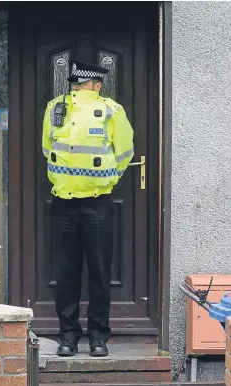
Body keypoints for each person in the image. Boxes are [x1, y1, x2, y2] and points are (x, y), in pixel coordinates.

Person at [42, 60, 134, 357]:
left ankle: (68, 337)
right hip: (97, 200)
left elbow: (48, 150)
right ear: (97, 84)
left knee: (66, 272)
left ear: (75, 82)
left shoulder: (54, 107)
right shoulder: (112, 110)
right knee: (98, 271)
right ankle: (97, 338)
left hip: (65, 200)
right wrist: (105, 178)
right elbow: (125, 154)